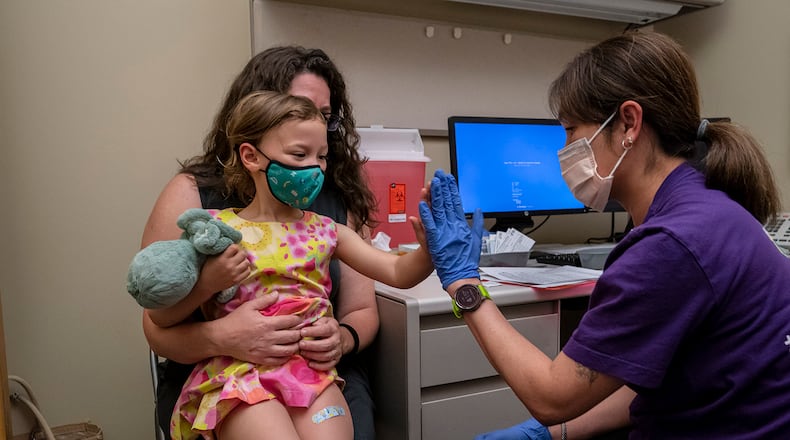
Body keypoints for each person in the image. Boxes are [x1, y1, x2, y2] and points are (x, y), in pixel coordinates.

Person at [418, 31, 790, 439]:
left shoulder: (671, 244)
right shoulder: (711, 209)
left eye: (571, 130)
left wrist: (463, 284)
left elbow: (551, 397)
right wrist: (554, 435)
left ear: (628, 123)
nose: (564, 149)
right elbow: (640, 379)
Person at [156, 90, 433, 439]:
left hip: (310, 374)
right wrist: (209, 283)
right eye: (299, 154)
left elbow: (397, 272)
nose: (314, 168)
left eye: (321, 156)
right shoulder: (215, 232)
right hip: (240, 375)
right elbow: (161, 318)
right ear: (251, 156)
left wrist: (430, 248)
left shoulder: (328, 231)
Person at [141, 46, 381, 440]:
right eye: (300, 108)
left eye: (324, 116)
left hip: (316, 368)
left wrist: (342, 337)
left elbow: (360, 307)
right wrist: (225, 336)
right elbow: (157, 326)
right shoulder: (194, 198)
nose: (314, 124)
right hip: (217, 365)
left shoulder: (336, 200)